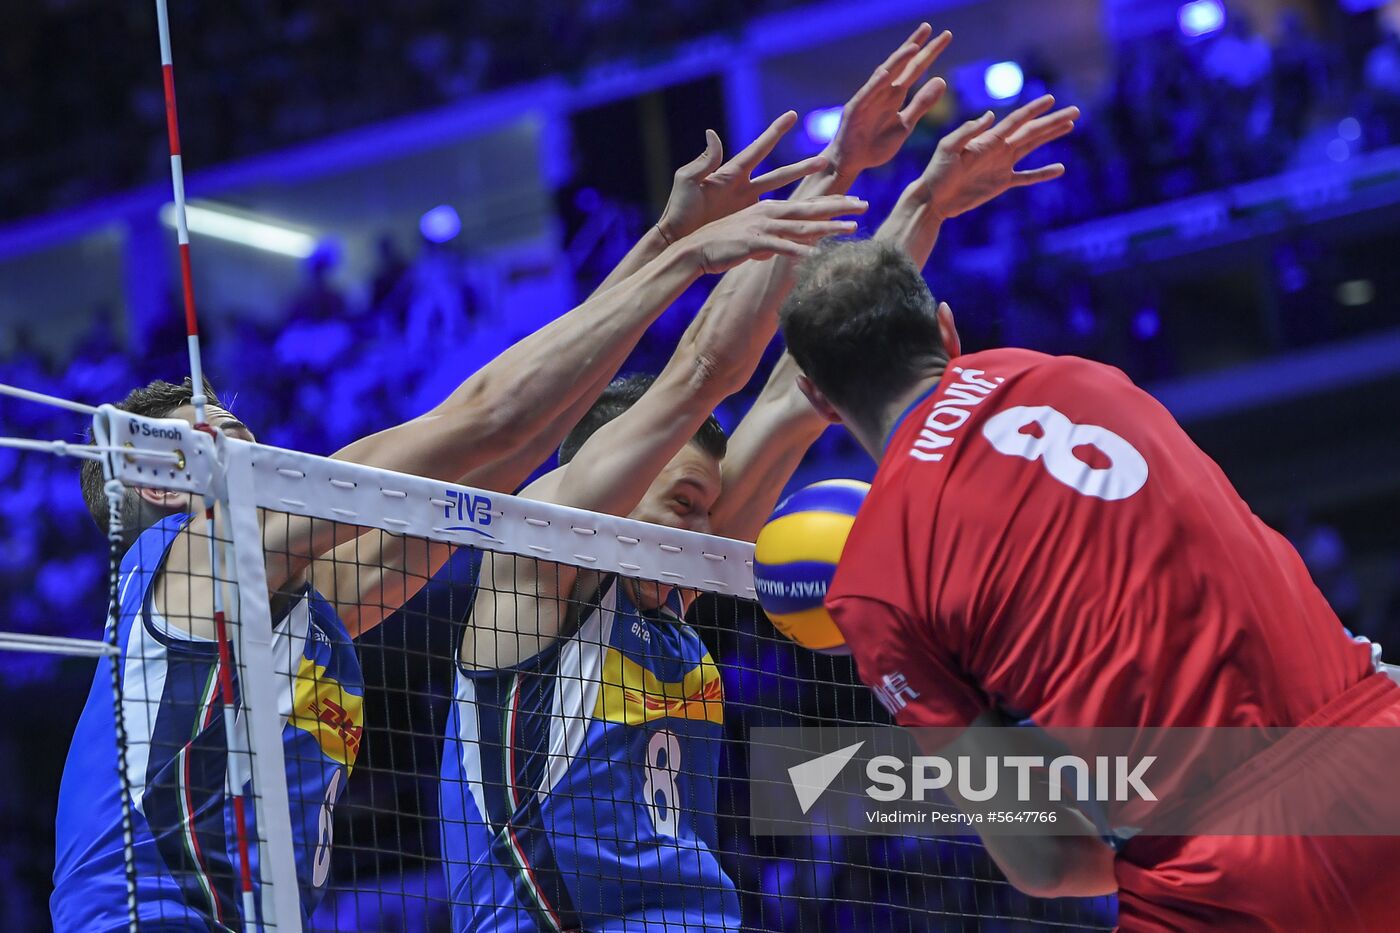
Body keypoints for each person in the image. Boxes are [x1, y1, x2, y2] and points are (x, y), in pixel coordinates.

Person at [49, 120, 856, 930]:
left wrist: (667, 236)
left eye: (248, 434)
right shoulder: (195, 551)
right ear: (156, 487)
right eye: (219, 439)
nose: (254, 450)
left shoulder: (316, 609)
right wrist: (686, 257)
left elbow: (520, 445)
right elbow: (490, 417)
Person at [439, 28, 1078, 931]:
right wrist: (832, 172)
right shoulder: (537, 553)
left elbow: (805, 386)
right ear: (604, 464)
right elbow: (706, 366)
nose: (704, 528)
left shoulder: (671, 590)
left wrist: (924, 202)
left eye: (706, 503)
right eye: (682, 498)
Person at [777, 107, 1400, 929]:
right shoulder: (1089, 378)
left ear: (818, 399)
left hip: (1217, 872)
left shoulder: (872, 587)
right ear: (946, 327)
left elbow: (1046, 860)